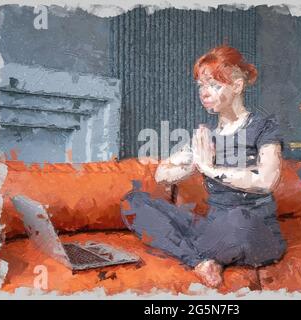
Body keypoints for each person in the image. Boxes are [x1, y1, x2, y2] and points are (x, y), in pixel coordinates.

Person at [121, 45, 287, 288]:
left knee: (239, 220)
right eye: (201, 86)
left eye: (214, 85)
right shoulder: (204, 137)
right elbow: (161, 174)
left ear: (237, 86)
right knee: (133, 202)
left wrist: (209, 168)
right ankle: (201, 260)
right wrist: (191, 167)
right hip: (212, 228)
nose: (205, 93)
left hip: (254, 229)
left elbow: (266, 181)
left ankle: (195, 254)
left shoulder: (263, 128)